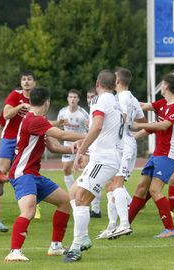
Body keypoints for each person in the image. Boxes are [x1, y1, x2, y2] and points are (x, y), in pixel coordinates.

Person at [4, 87, 86, 262]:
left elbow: (55, 147)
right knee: (29, 210)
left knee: (64, 202)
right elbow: (62, 133)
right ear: (47, 102)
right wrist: (90, 136)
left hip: (33, 174)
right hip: (22, 173)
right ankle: (14, 251)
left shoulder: (39, 121)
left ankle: (56, 246)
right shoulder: (34, 120)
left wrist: (72, 148)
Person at [63, 70, 123, 263]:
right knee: (72, 194)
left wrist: (81, 151)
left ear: (97, 83)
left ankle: (75, 247)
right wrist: (84, 144)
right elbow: (101, 130)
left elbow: (96, 127)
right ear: (114, 85)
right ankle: (84, 237)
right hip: (105, 157)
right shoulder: (115, 101)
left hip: (103, 160)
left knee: (80, 199)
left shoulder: (100, 100)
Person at [128, 73, 174, 239]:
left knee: (154, 190)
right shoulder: (162, 103)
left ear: (166, 86)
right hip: (157, 154)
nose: (161, 87)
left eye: (162, 84)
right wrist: (124, 100)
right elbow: (143, 106)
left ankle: (170, 229)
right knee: (141, 187)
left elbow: (163, 125)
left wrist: (137, 125)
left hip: (169, 155)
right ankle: (125, 225)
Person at [98, 67, 146, 239]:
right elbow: (143, 123)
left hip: (122, 144)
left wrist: (125, 137)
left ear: (117, 81)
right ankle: (112, 226)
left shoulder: (123, 98)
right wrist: (132, 136)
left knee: (117, 183)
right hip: (125, 142)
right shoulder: (132, 98)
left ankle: (124, 224)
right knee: (111, 184)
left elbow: (122, 119)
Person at [133, 127, 174, 217]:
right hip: (167, 159)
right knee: (154, 185)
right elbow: (147, 130)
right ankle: (141, 203)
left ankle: (170, 211)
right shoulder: (162, 127)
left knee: (173, 179)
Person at [0, 72, 35, 175]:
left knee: (21, 172)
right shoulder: (15, 94)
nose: (26, 81)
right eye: (24, 79)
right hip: (9, 137)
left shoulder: (36, 99)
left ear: (34, 83)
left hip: (25, 139)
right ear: (21, 82)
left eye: (29, 79)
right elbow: (6, 115)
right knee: (2, 171)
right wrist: (21, 105)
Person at [53, 89, 89, 192]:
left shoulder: (83, 114)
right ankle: (72, 194)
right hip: (68, 145)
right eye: (70, 97)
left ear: (78, 99)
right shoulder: (62, 112)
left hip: (82, 145)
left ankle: (84, 192)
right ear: (67, 99)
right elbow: (58, 127)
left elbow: (90, 129)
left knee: (84, 168)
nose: (72, 99)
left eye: (75, 97)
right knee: (66, 168)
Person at [85, 87, 101, 218]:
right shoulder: (89, 112)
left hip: (100, 151)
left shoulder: (98, 110)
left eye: (92, 97)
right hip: (93, 149)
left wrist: (82, 147)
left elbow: (98, 129)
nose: (90, 100)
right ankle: (95, 209)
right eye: (88, 97)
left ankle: (130, 204)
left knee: (112, 184)